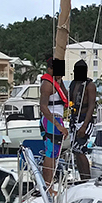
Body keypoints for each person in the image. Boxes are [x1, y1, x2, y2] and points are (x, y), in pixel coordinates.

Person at [38, 55, 69, 188]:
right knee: (50, 153)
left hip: (56, 118)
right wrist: (57, 125)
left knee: (54, 152)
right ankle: (48, 185)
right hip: (52, 120)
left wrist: (60, 80)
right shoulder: (47, 85)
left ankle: (49, 184)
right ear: (51, 69)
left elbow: (66, 96)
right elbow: (43, 107)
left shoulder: (55, 83)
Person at [68, 59, 98, 179]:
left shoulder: (90, 85)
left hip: (85, 120)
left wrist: (84, 125)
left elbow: (91, 106)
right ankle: (82, 178)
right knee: (75, 150)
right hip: (74, 118)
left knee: (80, 150)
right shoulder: (73, 84)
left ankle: (87, 178)